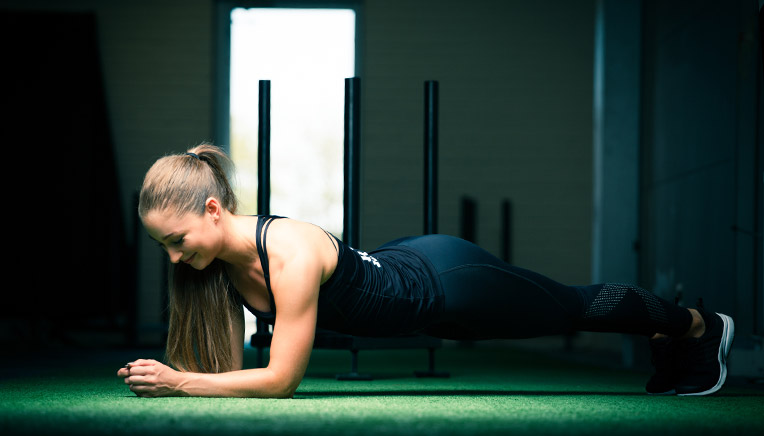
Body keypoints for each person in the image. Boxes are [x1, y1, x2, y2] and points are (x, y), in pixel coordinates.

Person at [117, 144, 735, 398]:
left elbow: (281, 381)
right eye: (161, 247)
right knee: (535, 316)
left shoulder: (290, 254)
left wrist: (181, 383)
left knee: (570, 306)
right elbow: (231, 367)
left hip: (448, 281)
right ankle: (673, 335)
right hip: (413, 285)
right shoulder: (215, 265)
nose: (173, 258)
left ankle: (698, 327)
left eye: (177, 240)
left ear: (215, 209)